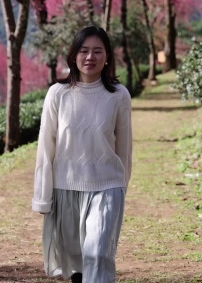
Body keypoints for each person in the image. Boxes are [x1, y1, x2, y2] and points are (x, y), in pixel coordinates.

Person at [32, 25, 133, 283]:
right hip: (66, 188)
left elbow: (124, 148)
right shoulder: (57, 94)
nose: (90, 57)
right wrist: (42, 198)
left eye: (97, 51)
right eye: (84, 51)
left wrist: (122, 187)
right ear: (74, 55)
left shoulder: (118, 96)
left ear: (107, 56)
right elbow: (46, 147)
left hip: (107, 186)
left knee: (98, 253)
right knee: (76, 262)